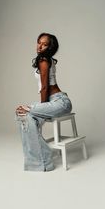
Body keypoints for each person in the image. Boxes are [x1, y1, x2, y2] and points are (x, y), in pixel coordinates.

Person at [15, 33, 72, 172]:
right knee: (24, 116)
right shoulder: (46, 59)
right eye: (38, 42)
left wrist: (37, 108)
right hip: (55, 101)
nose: (40, 46)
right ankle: (41, 161)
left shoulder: (44, 60)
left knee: (24, 112)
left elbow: (45, 87)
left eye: (44, 44)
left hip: (59, 102)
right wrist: (35, 110)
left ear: (50, 47)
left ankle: (43, 160)